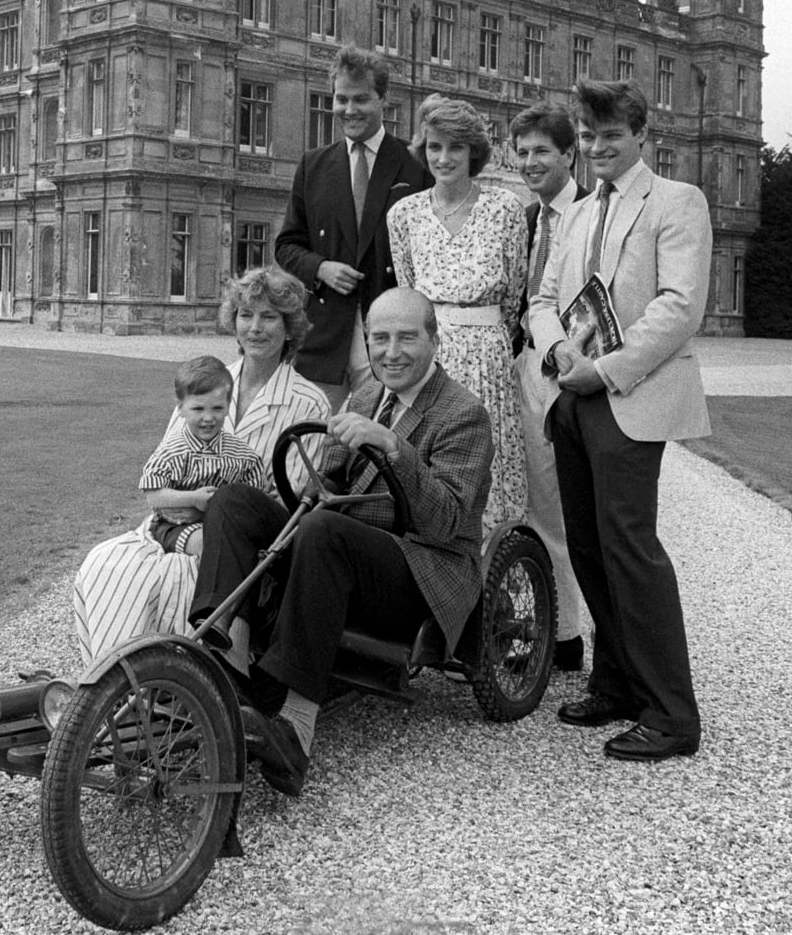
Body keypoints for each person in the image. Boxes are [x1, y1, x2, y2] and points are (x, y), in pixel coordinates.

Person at [188, 287, 493, 796]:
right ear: (367, 343)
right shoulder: (368, 395)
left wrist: (395, 448)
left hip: (420, 568)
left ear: (435, 341)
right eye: (379, 339)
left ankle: (296, 731)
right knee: (235, 500)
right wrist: (313, 486)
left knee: (324, 530)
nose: (391, 352)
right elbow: (325, 481)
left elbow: (446, 523)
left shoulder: (464, 413)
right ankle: (228, 670)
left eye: (406, 338)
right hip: (343, 550)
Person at [527, 80, 711, 763]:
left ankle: (671, 714)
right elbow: (543, 297)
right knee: (590, 546)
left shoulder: (676, 202)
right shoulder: (577, 211)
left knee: (631, 549)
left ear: (641, 136)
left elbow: (678, 307)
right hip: (572, 395)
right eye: (591, 135)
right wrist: (556, 351)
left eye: (612, 135)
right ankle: (617, 681)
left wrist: (602, 370)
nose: (600, 146)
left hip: (630, 394)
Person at [73, 268, 330, 662]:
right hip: (174, 523)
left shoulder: (308, 403)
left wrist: (204, 516)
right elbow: (164, 470)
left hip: (246, 545)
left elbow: (285, 502)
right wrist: (183, 509)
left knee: (176, 579)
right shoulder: (209, 381)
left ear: (290, 327)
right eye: (246, 315)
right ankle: (113, 681)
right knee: (105, 563)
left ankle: (183, 689)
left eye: (269, 317)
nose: (255, 328)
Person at [385, 94, 529, 541]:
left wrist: (484, 340)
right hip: (428, 359)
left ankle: (496, 576)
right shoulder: (403, 214)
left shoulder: (505, 208)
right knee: (427, 465)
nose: (443, 158)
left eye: (455, 148)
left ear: (474, 152)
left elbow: (513, 296)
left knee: (490, 466)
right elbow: (409, 297)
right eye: (434, 147)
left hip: (487, 355)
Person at [275, 44, 433, 411]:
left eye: (361, 99)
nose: (349, 109)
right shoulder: (313, 165)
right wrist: (320, 268)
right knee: (314, 442)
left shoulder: (416, 166)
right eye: (340, 99)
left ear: (383, 99)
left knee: (379, 449)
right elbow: (286, 244)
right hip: (325, 333)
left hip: (390, 334)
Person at [506, 105, 592, 673]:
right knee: (531, 504)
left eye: (542, 151)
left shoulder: (591, 213)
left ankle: (574, 635)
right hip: (526, 368)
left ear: (569, 155)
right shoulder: (527, 217)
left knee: (570, 512)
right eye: (523, 151)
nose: (530, 161)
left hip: (576, 374)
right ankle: (555, 633)